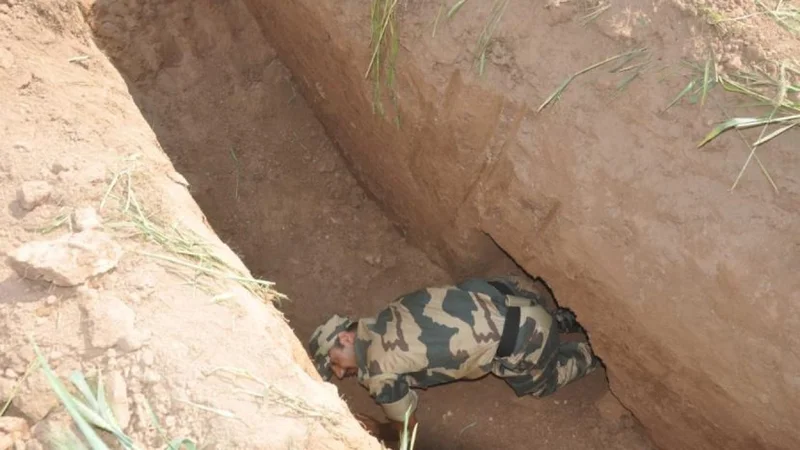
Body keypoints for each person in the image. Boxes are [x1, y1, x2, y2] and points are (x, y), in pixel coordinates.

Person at [307, 276, 600, 442]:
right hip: (515, 295)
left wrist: (378, 430)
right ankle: (558, 320)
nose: (340, 373)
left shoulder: (379, 372)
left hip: (529, 337)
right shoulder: (392, 311)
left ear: (346, 338)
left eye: (334, 363)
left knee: (539, 385)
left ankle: (591, 353)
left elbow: (408, 429)